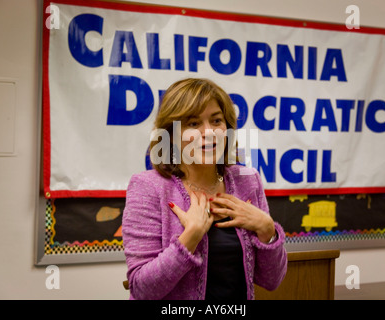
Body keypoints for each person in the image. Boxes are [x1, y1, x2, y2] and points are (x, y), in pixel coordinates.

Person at [122, 78, 287, 300]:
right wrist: (189, 238)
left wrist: (267, 230)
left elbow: (272, 280)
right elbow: (142, 290)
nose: (208, 132)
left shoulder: (248, 181)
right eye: (193, 123)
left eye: (216, 120)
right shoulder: (148, 187)